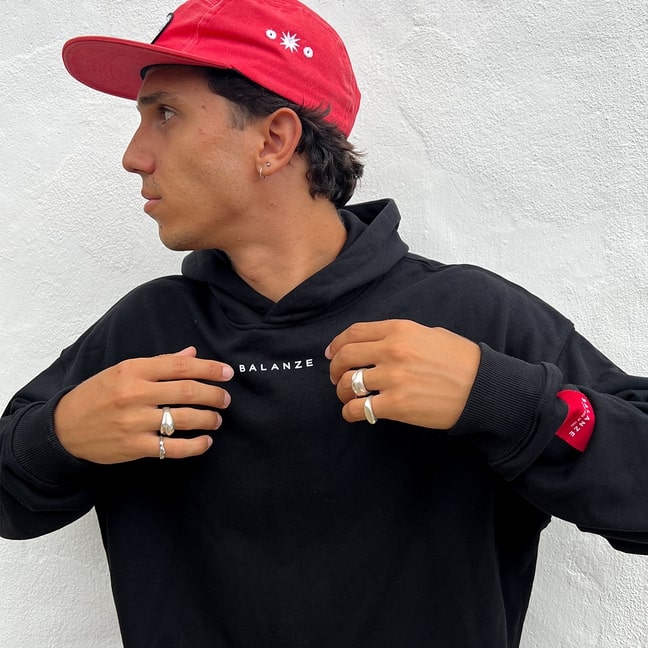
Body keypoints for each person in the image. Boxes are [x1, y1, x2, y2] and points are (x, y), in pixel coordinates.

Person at [1, 0, 647, 646]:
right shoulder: (145, 331)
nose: (134, 156)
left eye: (165, 114)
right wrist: (58, 435)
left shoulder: (468, 314)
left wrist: (501, 398)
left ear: (273, 141)